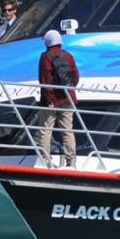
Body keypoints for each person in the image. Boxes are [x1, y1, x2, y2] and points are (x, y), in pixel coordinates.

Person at [36, 30, 79, 167]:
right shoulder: (68, 56)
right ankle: (71, 161)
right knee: (68, 131)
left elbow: (45, 80)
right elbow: (75, 76)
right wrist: (68, 90)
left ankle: (45, 161)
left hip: (51, 102)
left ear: (47, 41)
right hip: (67, 99)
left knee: (46, 130)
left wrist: (49, 100)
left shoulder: (46, 57)